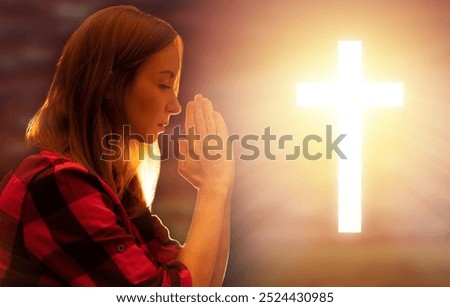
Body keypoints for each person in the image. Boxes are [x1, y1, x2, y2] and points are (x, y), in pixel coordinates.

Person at [0, 5, 234, 286]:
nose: (175, 106)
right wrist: (213, 189)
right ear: (110, 85)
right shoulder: (58, 183)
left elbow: (204, 284)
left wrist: (222, 186)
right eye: (163, 85)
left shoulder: (116, 185)